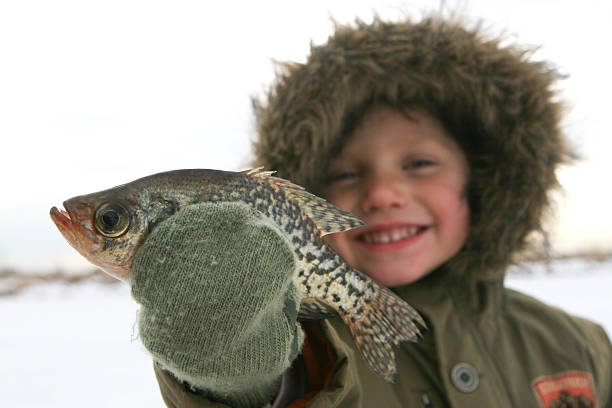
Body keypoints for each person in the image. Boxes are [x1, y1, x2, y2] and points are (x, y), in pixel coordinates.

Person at [130, 14, 612, 407]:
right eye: (346, 174)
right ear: (304, 208)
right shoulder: (303, 352)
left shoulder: (582, 347)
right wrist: (229, 372)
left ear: (480, 183)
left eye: (419, 164)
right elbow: (263, 392)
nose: (383, 194)